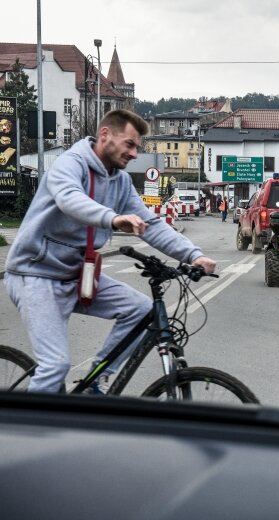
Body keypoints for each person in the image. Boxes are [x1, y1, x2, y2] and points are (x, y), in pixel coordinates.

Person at [3, 109, 217, 394]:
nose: (133, 153)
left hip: (77, 275)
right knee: (54, 365)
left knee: (142, 311)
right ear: (105, 135)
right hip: (36, 274)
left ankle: (96, 382)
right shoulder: (71, 164)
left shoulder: (120, 181)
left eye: (137, 148)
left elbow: (151, 224)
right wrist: (112, 218)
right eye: (129, 144)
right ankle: (28, 434)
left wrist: (193, 255)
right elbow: (69, 199)